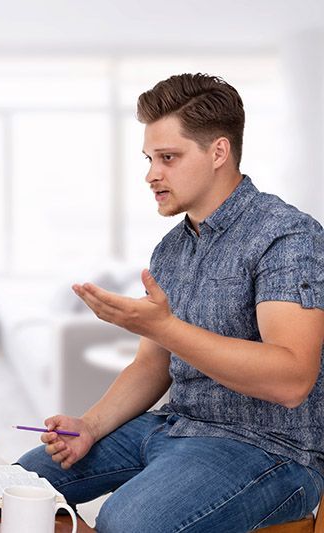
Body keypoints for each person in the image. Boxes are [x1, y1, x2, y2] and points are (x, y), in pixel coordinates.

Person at [18, 73, 324, 532]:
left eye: (168, 158)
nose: (151, 175)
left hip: (269, 448)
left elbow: (291, 379)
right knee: (23, 481)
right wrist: (91, 426)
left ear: (218, 152)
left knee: (126, 523)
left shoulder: (287, 236)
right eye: (149, 159)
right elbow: (151, 366)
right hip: (172, 426)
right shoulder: (171, 249)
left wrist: (162, 326)